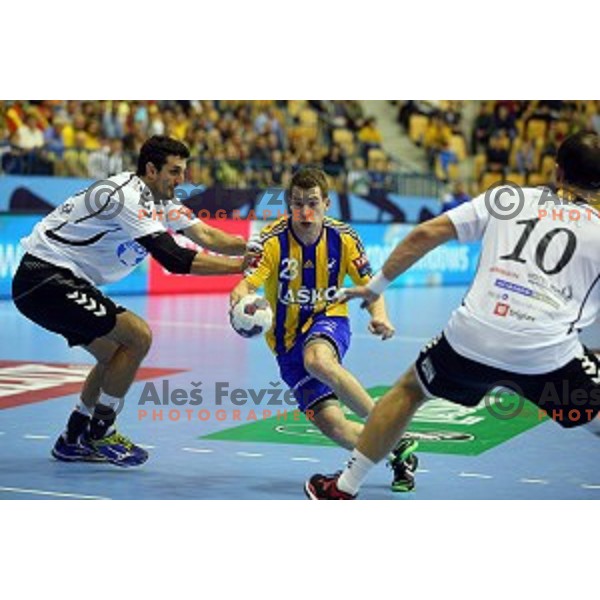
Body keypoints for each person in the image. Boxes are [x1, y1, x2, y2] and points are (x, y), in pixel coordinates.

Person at [305, 131, 600, 499]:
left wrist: (375, 286)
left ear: (556, 171)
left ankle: (343, 488)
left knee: (410, 390)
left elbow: (425, 233)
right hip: (547, 355)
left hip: (471, 339)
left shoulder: (508, 198)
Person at [12, 135, 255, 468]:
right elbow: (173, 259)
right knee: (138, 336)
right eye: (174, 171)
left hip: (57, 280)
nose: (181, 180)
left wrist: (255, 247)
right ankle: (102, 432)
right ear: (151, 170)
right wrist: (239, 267)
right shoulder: (128, 196)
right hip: (45, 277)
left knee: (115, 356)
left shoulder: (163, 202)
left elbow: (209, 237)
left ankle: (73, 437)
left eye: (183, 171)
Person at [230, 167, 419, 492]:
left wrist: (380, 316)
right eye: (298, 203)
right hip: (285, 342)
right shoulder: (272, 242)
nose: (305, 212)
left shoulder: (344, 238)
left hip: (328, 318)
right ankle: (397, 451)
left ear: (327, 204)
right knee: (333, 425)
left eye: (313, 203)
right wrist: (239, 304)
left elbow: (371, 287)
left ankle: (388, 427)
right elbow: (244, 286)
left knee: (317, 360)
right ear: (289, 204)